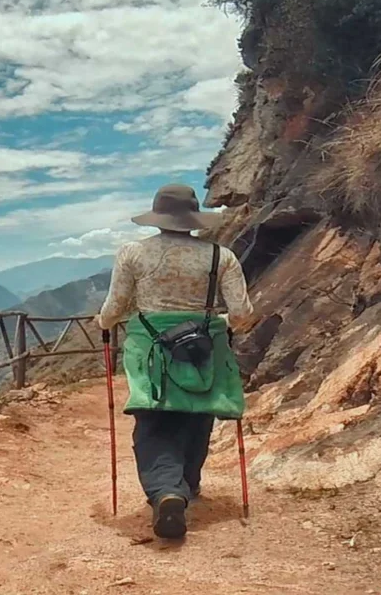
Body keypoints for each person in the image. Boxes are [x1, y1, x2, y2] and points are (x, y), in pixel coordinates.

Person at [95, 183, 254, 541]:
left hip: (150, 347)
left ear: (158, 218)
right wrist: (219, 324)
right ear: (193, 218)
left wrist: (103, 324)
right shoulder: (220, 256)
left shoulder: (132, 254)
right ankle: (186, 485)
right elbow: (242, 313)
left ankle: (167, 490)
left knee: (154, 419)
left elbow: (114, 308)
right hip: (203, 347)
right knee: (198, 412)